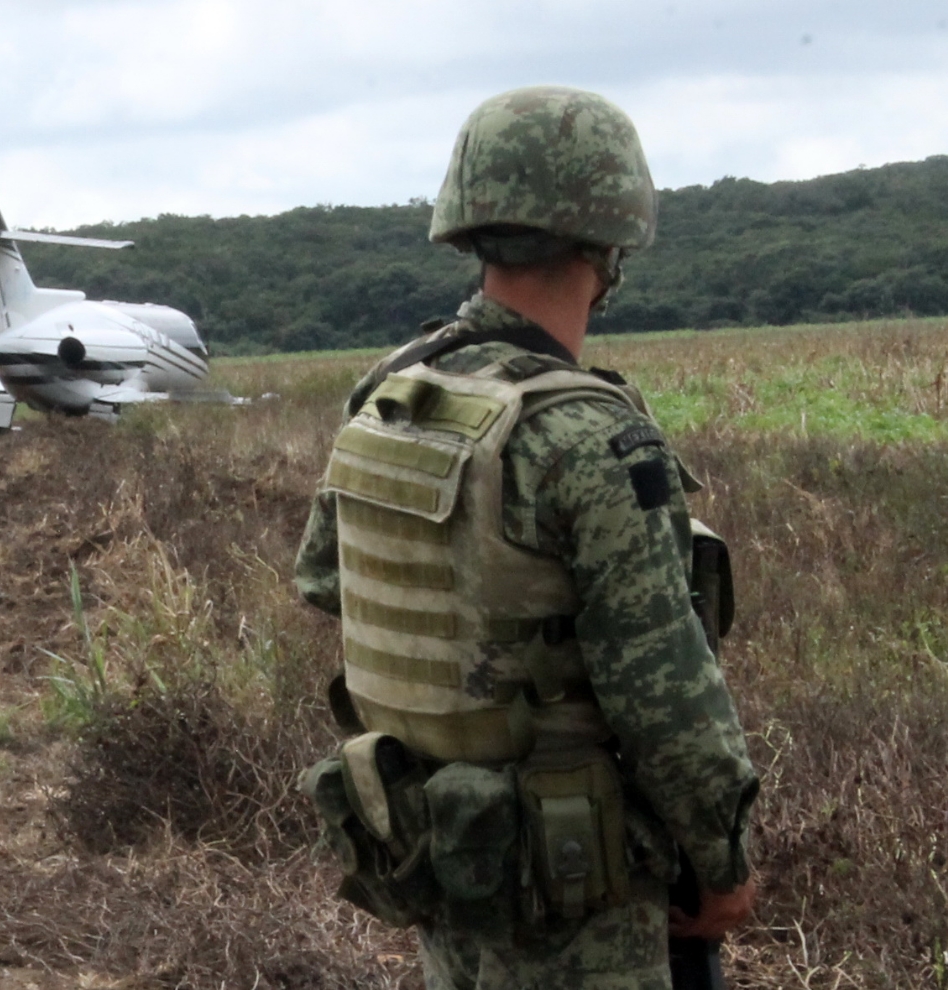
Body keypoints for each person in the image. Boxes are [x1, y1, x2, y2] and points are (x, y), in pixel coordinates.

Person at [294, 85, 758, 989]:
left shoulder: (392, 391)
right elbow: (665, 696)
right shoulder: (586, 436)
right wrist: (724, 862)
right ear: (609, 238)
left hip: (440, 850)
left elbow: (325, 582)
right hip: (578, 886)